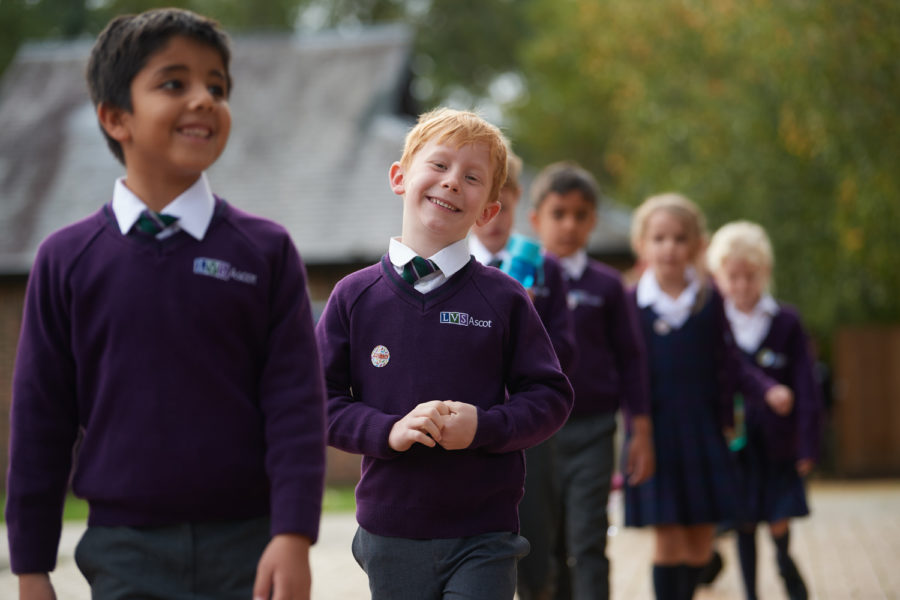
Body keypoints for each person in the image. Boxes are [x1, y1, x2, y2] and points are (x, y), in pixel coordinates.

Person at [5, 9, 327, 600]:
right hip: (124, 549)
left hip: (250, 545)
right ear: (115, 117)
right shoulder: (66, 260)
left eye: (218, 86)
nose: (204, 99)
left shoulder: (267, 251)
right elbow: (39, 420)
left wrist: (293, 533)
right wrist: (30, 567)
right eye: (174, 83)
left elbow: (296, 406)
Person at [315, 107, 574, 600]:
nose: (452, 182)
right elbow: (318, 400)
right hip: (390, 529)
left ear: (489, 211)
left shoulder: (505, 299)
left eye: (472, 177)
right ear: (399, 177)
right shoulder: (353, 296)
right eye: (439, 166)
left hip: (485, 531)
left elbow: (550, 396)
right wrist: (387, 430)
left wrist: (484, 426)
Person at [623, 193, 792, 600]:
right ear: (642, 244)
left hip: (704, 431)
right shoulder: (630, 303)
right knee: (668, 542)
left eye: (680, 238)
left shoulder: (711, 299)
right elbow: (622, 372)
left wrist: (766, 389)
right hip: (654, 435)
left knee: (700, 542)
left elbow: (731, 361)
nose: (669, 247)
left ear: (698, 245)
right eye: (659, 238)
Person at [527, 161, 655, 600]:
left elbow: (631, 359)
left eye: (580, 215)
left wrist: (641, 429)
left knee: (588, 541)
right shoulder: (519, 283)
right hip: (540, 435)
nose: (569, 225)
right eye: (558, 213)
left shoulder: (607, 285)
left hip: (595, 432)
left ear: (593, 221)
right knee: (551, 544)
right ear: (536, 219)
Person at [469, 149, 576, 600]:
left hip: (528, 429)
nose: (493, 218)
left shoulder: (545, 268)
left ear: (515, 204)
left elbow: (566, 351)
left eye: (504, 205)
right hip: (469, 423)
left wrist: (528, 320)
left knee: (536, 536)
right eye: (483, 205)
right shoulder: (448, 268)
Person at [707, 220, 821, 600]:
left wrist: (807, 443)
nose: (741, 285)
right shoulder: (713, 324)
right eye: (732, 276)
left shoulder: (785, 322)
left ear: (764, 273)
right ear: (719, 276)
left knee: (777, 518)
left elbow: (805, 385)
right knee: (742, 522)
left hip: (778, 443)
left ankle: (786, 564)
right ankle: (751, 591)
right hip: (735, 445)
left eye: (750, 276)